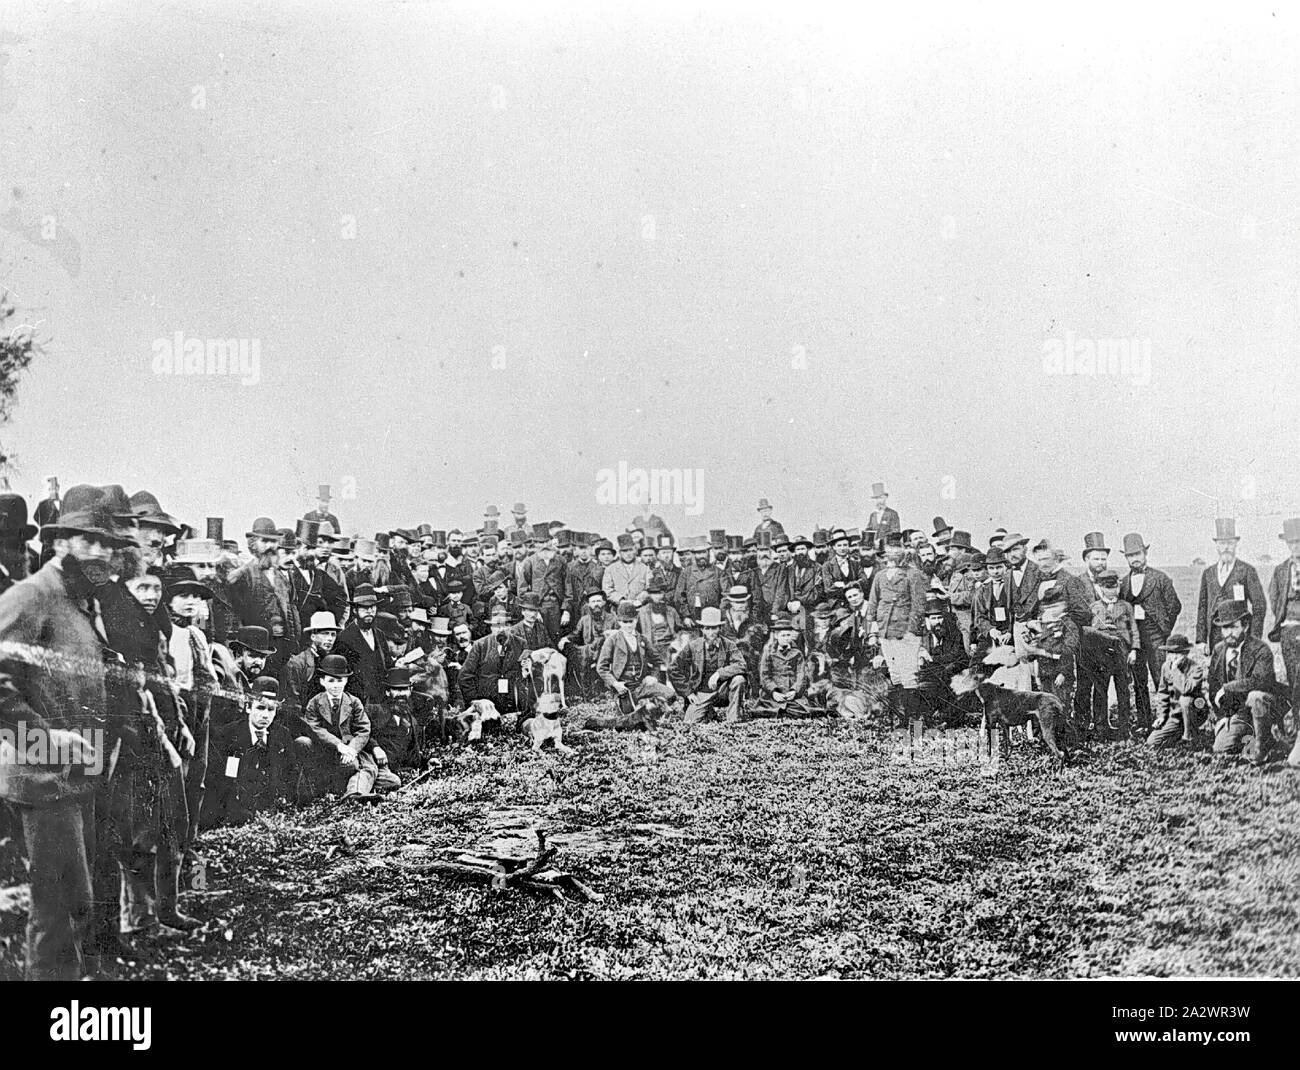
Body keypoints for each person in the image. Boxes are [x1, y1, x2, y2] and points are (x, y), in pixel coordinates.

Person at [0, 487, 128, 979]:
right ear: (59, 542)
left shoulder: (81, 603)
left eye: (108, 544)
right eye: (86, 540)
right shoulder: (32, 596)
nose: (100, 552)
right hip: (42, 779)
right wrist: (51, 743)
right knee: (55, 915)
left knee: (77, 904)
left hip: (79, 775)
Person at [203, 676, 298, 826]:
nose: (265, 715)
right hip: (235, 809)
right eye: (260, 708)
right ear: (248, 707)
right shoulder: (228, 734)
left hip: (270, 811)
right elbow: (220, 780)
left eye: (271, 709)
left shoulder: (282, 735)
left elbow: (291, 774)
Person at [1206, 600, 1287, 765]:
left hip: (1266, 707)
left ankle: (1262, 747)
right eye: (1225, 628)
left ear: (1245, 626)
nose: (1229, 633)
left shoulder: (1260, 649)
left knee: (1255, 696)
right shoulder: (1219, 650)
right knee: (1221, 747)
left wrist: (1228, 688)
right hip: (1240, 712)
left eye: (1233, 627)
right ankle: (1254, 736)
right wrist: (1221, 717)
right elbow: (1213, 687)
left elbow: (1262, 681)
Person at [1118, 532, 1182, 737]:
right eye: (1130, 556)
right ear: (1126, 558)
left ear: (1145, 553)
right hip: (1134, 641)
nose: (1135, 559)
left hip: (1156, 637)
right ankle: (1145, 721)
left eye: (1138, 554)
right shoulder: (1123, 583)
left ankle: (1172, 722)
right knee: (1139, 682)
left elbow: (1175, 606)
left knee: (1161, 679)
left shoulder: (1160, 578)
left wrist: (1164, 630)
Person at [867, 536, 929, 728]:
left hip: (905, 631)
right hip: (886, 631)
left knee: (909, 674)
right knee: (896, 674)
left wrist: (910, 630)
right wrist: (873, 631)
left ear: (904, 551)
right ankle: (902, 718)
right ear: (884, 553)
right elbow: (873, 604)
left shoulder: (913, 574)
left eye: (897, 549)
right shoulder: (880, 576)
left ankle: (916, 718)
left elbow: (919, 606)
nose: (893, 553)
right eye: (890, 549)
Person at [299, 655, 381, 798]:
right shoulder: (315, 702)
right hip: (324, 748)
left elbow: (363, 729)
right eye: (331, 681)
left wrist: (352, 749)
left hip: (347, 750)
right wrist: (338, 745)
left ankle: (348, 790)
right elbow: (314, 728)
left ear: (346, 681)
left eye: (340, 681)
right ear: (322, 682)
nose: (336, 685)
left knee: (353, 766)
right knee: (302, 742)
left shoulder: (354, 702)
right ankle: (316, 789)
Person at [1195, 518, 1266, 653]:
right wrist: (1201, 639)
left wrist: (1253, 638)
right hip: (1215, 635)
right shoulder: (1208, 573)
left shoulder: (1246, 571)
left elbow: (1260, 605)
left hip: (1239, 634)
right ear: (1216, 545)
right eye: (1222, 543)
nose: (1226, 547)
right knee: (1217, 671)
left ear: (1236, 544)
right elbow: (1202, 607)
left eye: (1230, 543)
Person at [669, 607, 747, 723]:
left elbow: (741, 664)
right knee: (689, 722)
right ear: (702, 629)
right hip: (701, 693)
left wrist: (719, 674)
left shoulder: (729, 645)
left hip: (722, 691)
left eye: (714, 628)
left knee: (739, 679)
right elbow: (673, 669)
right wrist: (688, 692)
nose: (710, 633)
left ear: (720, 628)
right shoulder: (693, 646)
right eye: (707, 628)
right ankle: (708, 711)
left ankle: (733, 720)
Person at [597, 601, 675, 714]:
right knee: (631, 714)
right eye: (625, 622)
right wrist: (615, 683)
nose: (628, 625)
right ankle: (645, 703)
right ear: (619, 621)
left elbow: (657, 662)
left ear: (636, 620)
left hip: (641, 685)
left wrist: (653, 677)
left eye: (631, 621)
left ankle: (649, 702)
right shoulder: (612, 640)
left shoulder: (642, 639)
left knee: (671, 695)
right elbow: (601, 668)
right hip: (623, 688)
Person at [1089, 570, 1140, 740]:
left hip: (1122, 653)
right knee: (1100, 690)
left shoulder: (1125, 606)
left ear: (1118, 587)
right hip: (1101, 655)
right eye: (1107, 587)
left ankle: (1124, 728)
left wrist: (1134, 650)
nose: (1111, 591)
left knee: (1123, 691)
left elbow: (1134, 629)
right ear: (1100, 588)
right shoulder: (1095, 607)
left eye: (1114, 587)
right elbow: (1090, 633)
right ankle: (1100, 728)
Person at [455, 603, 526, 713]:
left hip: (513, 704)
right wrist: (477, 702)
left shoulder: (520, 644)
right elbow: (464, 677)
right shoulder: (480, 645)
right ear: (491, 627)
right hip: (487, 707)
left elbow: (527, 673)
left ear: (510, 626)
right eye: (496, 626)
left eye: (504, 625)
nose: (501, 629)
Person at [1144, 634, 1207, 749]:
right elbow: (1163, 693)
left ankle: (1190, 737)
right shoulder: (1165, 667)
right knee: (1152, 741)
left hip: (1196, 710)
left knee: (1185, 700)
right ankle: (1179, 732)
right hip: (1175, 715)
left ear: (1185, 653)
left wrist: (1176, 671)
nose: (1172, 657)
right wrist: (1162, 716)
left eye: (1177, 653)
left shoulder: (1195, 668)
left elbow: (1186, 689)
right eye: (1170, 653)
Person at [916, 595, 969, 725]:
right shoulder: (921, 637)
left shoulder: (954, 634)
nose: (937, 621)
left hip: (947, 677)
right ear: (926, 620)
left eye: (940, 617)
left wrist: (932, 658)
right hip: (926, 678)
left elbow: (959, 657)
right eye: (933, 618)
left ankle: (947, 719)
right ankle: (924, 720)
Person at [335, 583, 390, 705]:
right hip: (358, 703)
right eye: (365, 608)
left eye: (373, 607)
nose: (370, 611)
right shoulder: (344, 638)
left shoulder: (380, 635)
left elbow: (387, 664)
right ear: (355, 610)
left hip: (381, 701)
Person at [281, 610, 339, 719]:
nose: (330, 638)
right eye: (325, 633)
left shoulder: (331, 661)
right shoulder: (298, 663)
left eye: (333, 634)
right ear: (313, 636)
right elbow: (293, 703)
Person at [367, 667, 420, 781]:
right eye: (396, 690)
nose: (401, 694)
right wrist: (375, 747)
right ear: (387, 692)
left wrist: (429, 760)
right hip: (374, 766)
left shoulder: (412, 721)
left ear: (410, 691)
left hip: (399, 771)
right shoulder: (374, 711)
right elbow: (361, 733)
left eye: (404, 689)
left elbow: (411, 752)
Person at [753, 613, 810, 717]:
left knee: (802, 709)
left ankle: (788, 708)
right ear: (776, 636)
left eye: (788, 635)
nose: (786, 638)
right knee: (767, 707)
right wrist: (774, 692)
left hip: (791, 691)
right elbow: (764, 676)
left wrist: (794, 691)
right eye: (783, 635)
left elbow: (801, 675)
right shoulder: (769, 652)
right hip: (774, 692)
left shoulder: (797, 653)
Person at [602, 533, 649, 606]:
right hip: (618, 609)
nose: (628, 554)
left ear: (635, 550)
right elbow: (607, 589)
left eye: (630, 550)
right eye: (624, 551)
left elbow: (649, 588)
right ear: (620, 552)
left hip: (640, 608)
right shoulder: (611, 569)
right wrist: (620, 600)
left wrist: (639, 600)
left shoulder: (644, 568)